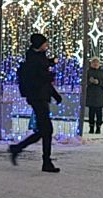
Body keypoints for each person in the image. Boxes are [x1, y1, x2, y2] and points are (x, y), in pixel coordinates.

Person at [8, 33, 63, 172]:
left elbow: (45, 81)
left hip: (42, 97)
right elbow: (38, 80)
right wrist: (49, 76)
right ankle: (45, 162)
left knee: (44, 130)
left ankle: (17, 149)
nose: (47, 45)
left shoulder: (40, 58)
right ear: (39, 44)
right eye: (45, 43)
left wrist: (55, 95)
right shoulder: (32, 60)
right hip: (36, 97)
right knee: (47, 130)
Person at [84, 57, 103, 134]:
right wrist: (89, 81)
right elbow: (84, 81)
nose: (95, 64)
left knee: (99, 113)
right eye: (94, 62)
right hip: (91, 95)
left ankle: (98, 127)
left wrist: (98, 82)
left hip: (99, 95)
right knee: (91, 112)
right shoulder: (88, 72)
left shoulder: (102, 72)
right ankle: (91, 127)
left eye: (96, 62)